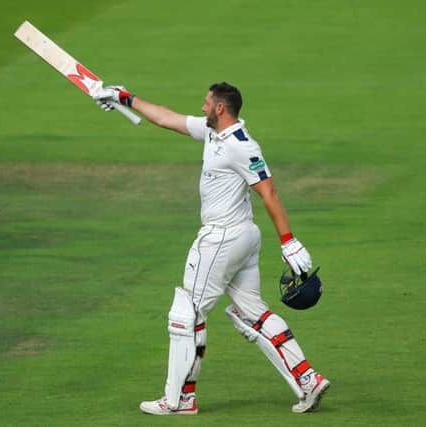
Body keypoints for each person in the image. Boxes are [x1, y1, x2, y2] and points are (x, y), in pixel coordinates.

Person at [93, 82, 330, 415]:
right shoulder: (213, 135)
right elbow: (166, 119)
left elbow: (270, 192)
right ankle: (308, 380)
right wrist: (125, 98)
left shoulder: (241, 146)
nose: (202, 107)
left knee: (186, 314)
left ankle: (179, 400)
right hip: (243, 238)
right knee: (253, 313)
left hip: (222, 239)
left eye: (206, 103)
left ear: (221, 108)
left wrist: (289, 242)